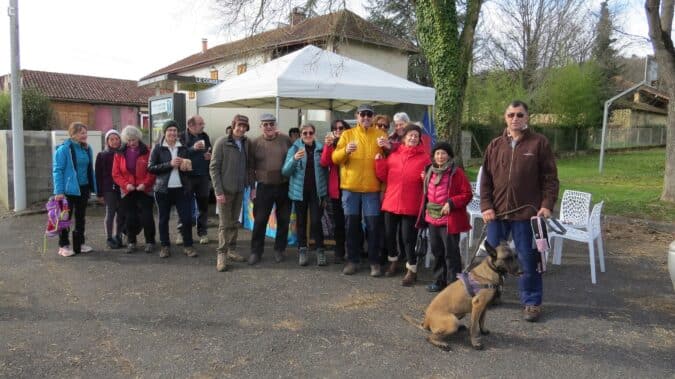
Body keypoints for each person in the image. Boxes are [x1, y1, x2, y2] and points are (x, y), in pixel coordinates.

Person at [480, 100, 559, 322]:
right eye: (511, 115)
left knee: (527, 259)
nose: (515, 118)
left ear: (527, 118)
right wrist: (486, 206)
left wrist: (546, 205)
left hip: (526, 214)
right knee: (494, 258)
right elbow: (485, 180)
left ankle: (531, 302)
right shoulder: (495, 145)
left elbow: (550, 179)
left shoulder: (539, 143)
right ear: (505, 117)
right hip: (497, 214)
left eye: (520, 115)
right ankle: (492, 293)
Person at [332, 104, 388, 276]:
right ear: (357, 116)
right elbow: (335, 158)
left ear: (372, 117)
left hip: (372, 188)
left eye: (369, 115)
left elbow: (389, 161)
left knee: (373, 227)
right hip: (350, 188)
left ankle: (374, 262)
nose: (366, 118)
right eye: (362, 114)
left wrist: (387, 148)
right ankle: (352, 261)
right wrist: (345, 152)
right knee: (351, 227)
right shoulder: (348, 135)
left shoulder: (380, 135)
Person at [375, 124, 431, 286]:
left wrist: (424, 178)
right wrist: (379, 163)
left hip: (411, 203)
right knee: (389, 235)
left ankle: (411, 269)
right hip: (391, 201)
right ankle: (393, 260)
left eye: (416, 136)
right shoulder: (393, 155)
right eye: (410, 135)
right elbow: (383, 176)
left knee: (408, 239)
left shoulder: (425, 158)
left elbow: (429, 182)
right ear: (404, 138)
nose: (413, 138)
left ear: (419, 139)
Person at [417, 142, 473, 292]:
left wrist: (452, 203)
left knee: (451, 253)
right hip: (432, 217)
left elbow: (467, 194)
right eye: (437, 154)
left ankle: (453, 284)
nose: (440, 156)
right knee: (437, 251)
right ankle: (438, 280)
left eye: (443, 153)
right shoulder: (429, 171)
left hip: (449, 219)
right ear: (433, 156)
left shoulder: (457, 172)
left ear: (449, 156)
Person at [248, 113, 292, 265]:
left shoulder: (286, 139)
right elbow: (250, 167)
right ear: (261, 127)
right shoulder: (255, 143)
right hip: (263, 187)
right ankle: (256, 251)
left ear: (276, 125)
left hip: (284, 186)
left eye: (271, 124)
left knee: (284, 220)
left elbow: (294, 158)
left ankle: (279, 249)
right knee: (260, 220)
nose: (269, 127)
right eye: (265, 124)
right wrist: (252, 187)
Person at [147, 120, 195, 258]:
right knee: (163, 219)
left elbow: (188, 169)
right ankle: (165, 246)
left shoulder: (183, 148)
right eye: (169, 130)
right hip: (163, 189)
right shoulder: (157, 148)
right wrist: (170, 164)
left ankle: (188, 246)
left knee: (186, 219)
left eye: (174, 130)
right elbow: (150, 168)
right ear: (165, 132)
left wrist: (186, 166)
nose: (172, 133)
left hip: (181, 189)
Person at [210, 114, 252, 272]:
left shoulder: (246, 143)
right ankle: (221, 254)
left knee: (234, 222)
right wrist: (218, 191)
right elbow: (213, 168)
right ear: (233, 125)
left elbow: (248, 165)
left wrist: (248, 185)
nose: (241, 129)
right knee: (224, 224)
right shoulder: (222, 142)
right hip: (224, 191)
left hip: (240, 189)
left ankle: (231, 250)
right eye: (239, 125)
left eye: (244, 126)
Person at [282, 123, 328, 266]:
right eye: (305, 133)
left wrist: (325, 194)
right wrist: (294, 159)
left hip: (316, 192)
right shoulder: (294, 148)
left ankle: (320, 250)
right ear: (300, 135)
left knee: (316, 222)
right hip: (299, 192)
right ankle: (302, 249)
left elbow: (326, 171)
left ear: (314, 134)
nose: (308, 135)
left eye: (310, 133)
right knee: (301, 222)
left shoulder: (321, 149)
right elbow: (285, 172)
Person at [52, 122, 97, 257]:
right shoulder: (63, 149)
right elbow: (57, 170)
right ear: (73, 134)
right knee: (65, 219)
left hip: (83, 188)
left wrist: (93, 187)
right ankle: (63, 245)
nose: (85, 135)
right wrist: (59, 192)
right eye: (82, 133)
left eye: (85, 132)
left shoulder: (87, 149)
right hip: (67, 191)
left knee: (80, 218)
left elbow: (89, 169)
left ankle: (79, 244)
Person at [112, 125, 156, 254]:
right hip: (128, 189)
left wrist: (146, 184)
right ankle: (131, 242)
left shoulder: (148, 151)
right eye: (129, 140)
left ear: (138, 138)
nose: (131, 143)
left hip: (144, 189)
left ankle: (150, 241)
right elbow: (116, 174)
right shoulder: (119, 153)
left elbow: (152, 171)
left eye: (134, 140)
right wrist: (126, 185)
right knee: (130, 217)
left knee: (147, 216)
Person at [177, 115, 212, 245]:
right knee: (184, 206)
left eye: (203, 123)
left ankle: (202, 233)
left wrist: (209, 155)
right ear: (191, 125)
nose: (203, 125)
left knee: (203, 206)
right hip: (187, 177)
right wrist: (192, 149)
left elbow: (209, 149)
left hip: (203, 176)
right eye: (201, 123)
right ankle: (181, 233)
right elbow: (178, 154)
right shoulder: (181, 136)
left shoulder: (205, 136)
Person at [320, 119, 350, 263]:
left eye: (341, 128)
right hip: (336, 189)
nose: (338, 130)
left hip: (351, 188)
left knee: (352, 222)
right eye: (335, 128)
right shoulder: (331, 144)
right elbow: (324, 162)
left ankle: (353, 249)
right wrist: (327, 145)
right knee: (338, 222)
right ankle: (339, 250)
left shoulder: (351, 142)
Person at [95, 129, 125, 249]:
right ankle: (109, 237)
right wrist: (99, 193)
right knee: (110, 212)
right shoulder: (102, 155)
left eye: (117, 139)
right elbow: (98, 175)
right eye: (111, 139)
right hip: (108, 189)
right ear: (107, 141)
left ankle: (118, 235)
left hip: (122, 187)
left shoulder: (123, 153)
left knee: (121, 213)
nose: (114, 141)